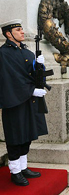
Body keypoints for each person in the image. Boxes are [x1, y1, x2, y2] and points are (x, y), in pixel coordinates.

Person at [0, 19, 48, 186]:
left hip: (29, 101)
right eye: (18, 30)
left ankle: (23, 167)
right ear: (8, 34)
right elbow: (9, 79)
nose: (22, 32)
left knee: (27, 134)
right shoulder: (3, 54)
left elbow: (35, 77)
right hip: (14, 101)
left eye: (22, 29)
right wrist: (30, 90)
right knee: (15, 136)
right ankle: (15, 171)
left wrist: (40, 66)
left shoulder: (28, 53)